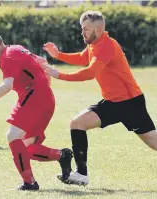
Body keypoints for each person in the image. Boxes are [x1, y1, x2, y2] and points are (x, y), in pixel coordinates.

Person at [42, 10, 157, 186]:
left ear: (99, 28)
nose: (83, 32)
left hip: (130, 102)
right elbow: (82, 58)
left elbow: (90, 72)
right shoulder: (94, 45)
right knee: (77, 123)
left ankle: (81, 173)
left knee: (152, 141)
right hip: (112, 102)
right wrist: (59, 55)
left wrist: (59, 75)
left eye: (86, 29)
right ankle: (81, 174)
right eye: (82, 28)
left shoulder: (107, 45)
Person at [0, 31, 73, 191]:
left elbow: (7, 85)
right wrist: (44, 82)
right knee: (24, 148)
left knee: (12, 136)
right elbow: (41, 60)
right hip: (44, 97)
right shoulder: (16, 48)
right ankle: (61, 156)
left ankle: (29, 183)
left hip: (35, 97)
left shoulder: (7, 57)